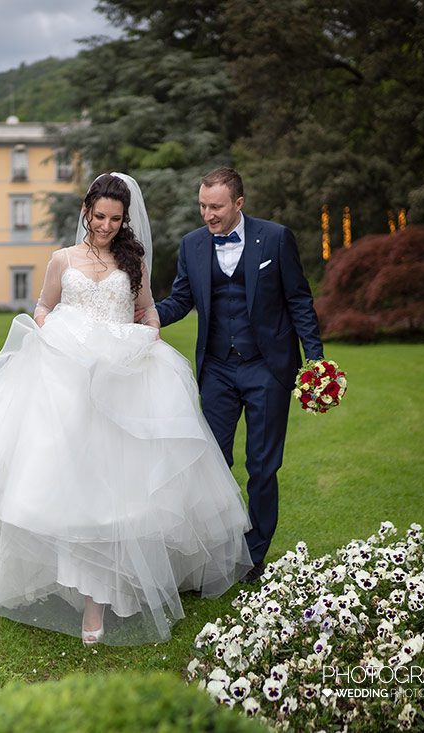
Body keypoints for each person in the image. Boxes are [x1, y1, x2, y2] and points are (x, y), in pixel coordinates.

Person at [0, 173, 252, 646]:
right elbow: (42, 308)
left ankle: (100, 600)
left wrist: (148, 335)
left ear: (126, 220)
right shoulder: (62, 259)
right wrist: (56, 336)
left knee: (119, 495)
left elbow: (149, 311)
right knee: (65, 489)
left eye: (115, 219)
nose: (106, 226)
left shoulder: (133, 261)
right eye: (99, 216)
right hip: (66, 381)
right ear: (86, 211)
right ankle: (67, 581)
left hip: (124, 381)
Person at [154, 167, 324, 584]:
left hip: (267, 367)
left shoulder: (276, 238)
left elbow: (299, 300)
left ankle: (253, 556)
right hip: (217, 369)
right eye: (202, 206)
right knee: (212, 462)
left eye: (216, 207)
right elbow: (180, 300)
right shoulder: (192, 244)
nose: (207, 215)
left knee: (262, 467)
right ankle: (212, 552)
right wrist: (142, 315)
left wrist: (316, 361)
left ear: (239, 204)